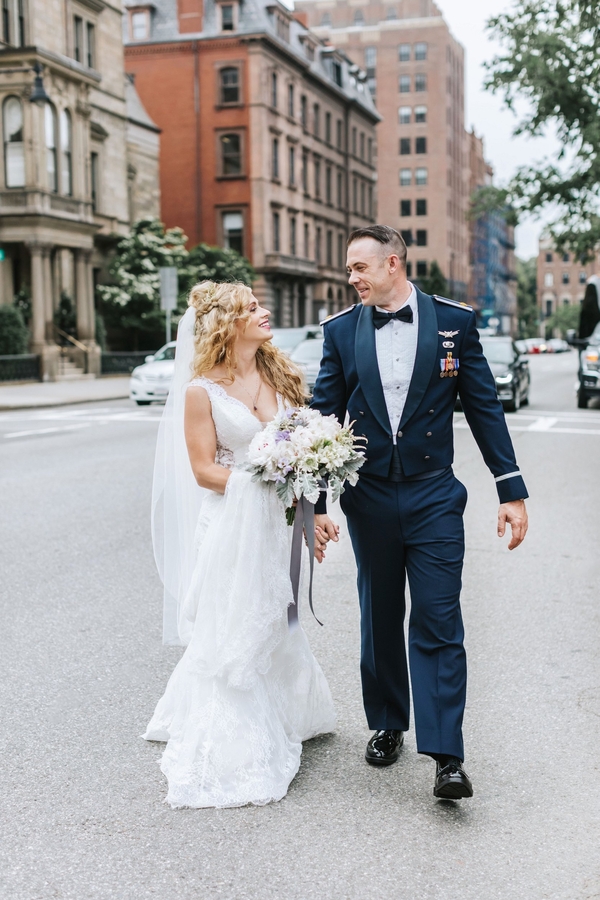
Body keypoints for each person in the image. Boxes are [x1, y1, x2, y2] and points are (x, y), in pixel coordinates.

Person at [311, 225, 528, 799]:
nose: (351, 278)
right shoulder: (340, 331)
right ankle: (387, 721)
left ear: (393, 264)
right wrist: (316, 504)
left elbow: (484, 407)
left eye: (359, 267)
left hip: (434, 495)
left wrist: (510, 489)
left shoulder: (455, 322)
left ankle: (446, 754)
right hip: (370, 496)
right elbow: (322, 418)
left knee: (438, 617)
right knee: (380, 614)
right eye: (349, 269)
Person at [144, 281, 335, 809]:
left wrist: (310, 513)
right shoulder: (200, 392)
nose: (264, 311)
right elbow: (204, 470)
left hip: (275, 523)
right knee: (232, 622)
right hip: (230, 522)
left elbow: (302, 454)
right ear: (227, 325)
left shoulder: (280, 374)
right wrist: (266, 484)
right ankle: (232, 738)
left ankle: (285, 709)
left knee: (273, 610)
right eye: (252, 308)